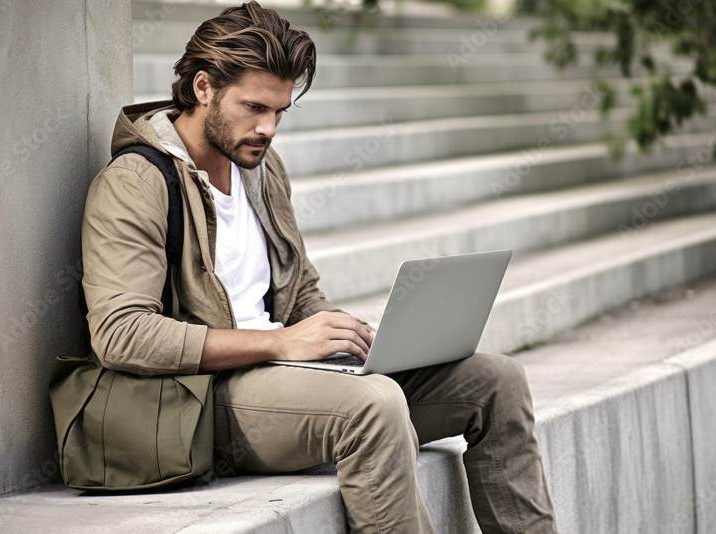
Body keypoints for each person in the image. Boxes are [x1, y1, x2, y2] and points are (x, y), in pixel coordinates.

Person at [80, 1, 558, 532]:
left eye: (280, 112)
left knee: (497, 380)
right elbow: (120, 335)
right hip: (200, 399)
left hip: (286, 377)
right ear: (202, 88)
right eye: (255, 107)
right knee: (372, 405)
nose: (268, 128)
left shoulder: (258, 167)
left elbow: (300, 289)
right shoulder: (135, 182)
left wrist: (348, 337)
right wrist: (280, 343)